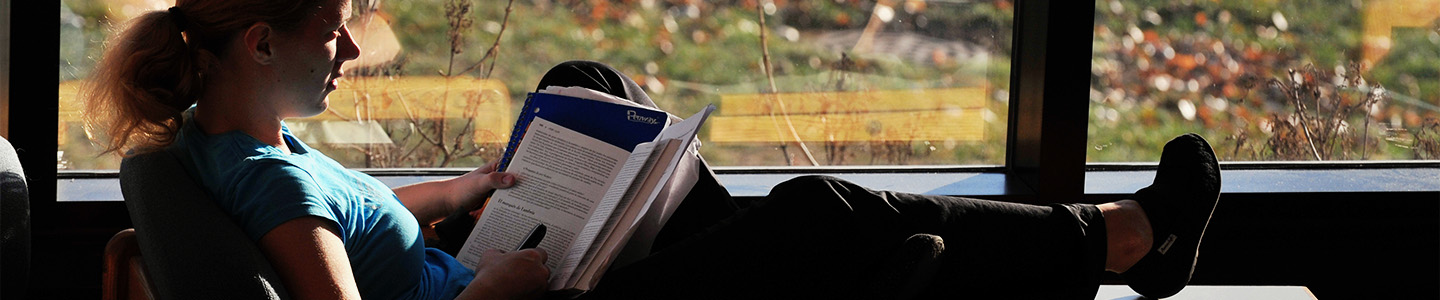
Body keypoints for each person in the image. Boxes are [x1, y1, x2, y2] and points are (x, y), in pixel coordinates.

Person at [80, 1, 1222, 299]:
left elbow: (353, 212)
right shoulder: (269, 175)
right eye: (333, 29)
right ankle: (1127, 240)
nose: (349, 50)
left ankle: (798, 263)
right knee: (819, 209)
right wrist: (502, 287)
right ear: (262, 39)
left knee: (590, 90)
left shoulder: (242, 139)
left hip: (481, 256)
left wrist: (471, 189)